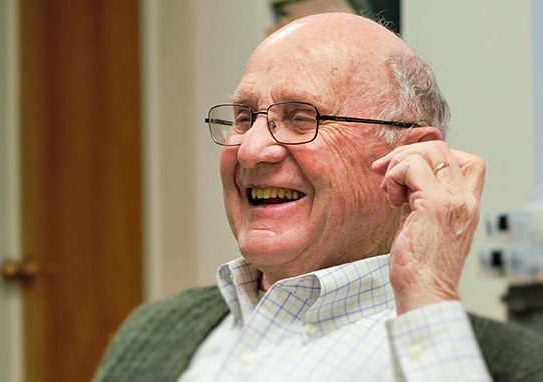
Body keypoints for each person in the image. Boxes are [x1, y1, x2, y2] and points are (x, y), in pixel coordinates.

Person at [94, 13, 543, 382]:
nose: (250, 150)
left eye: (300, 118)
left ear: (408, 155)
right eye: (245, 117)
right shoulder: (159, 330)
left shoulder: (501, 361)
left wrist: (429, 294)